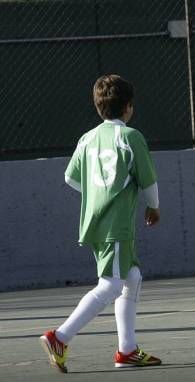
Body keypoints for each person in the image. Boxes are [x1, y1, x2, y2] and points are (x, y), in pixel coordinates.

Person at [39, 74, 162, 372]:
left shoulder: (87, 138)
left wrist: (98, 194)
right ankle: (60, 336)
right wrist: (154, 207)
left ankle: (127, 350)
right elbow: (148, 180)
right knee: (111, 284)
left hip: (94, 223)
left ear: (98, 107)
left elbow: (70, 177)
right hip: (116, 225)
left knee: (131, 277)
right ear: (129, 107)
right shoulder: (131, 137)